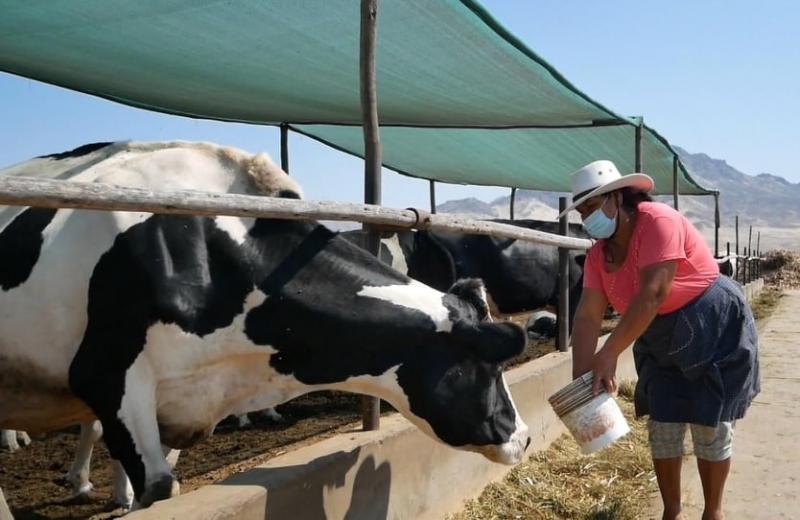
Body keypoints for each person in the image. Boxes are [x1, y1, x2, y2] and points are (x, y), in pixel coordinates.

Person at [560, 160, 760, 520]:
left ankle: (713, 511)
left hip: (711, 323)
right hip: (655, 333)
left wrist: (607, 355)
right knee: (663, 421)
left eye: (593, 206)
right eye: (583, 211)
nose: (588, 217)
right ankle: (672, 512)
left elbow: (653, 292)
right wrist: (582, 380)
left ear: (617, 198)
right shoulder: (597, 256)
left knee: (709, 424)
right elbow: (588, 316)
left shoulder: (657, 221)